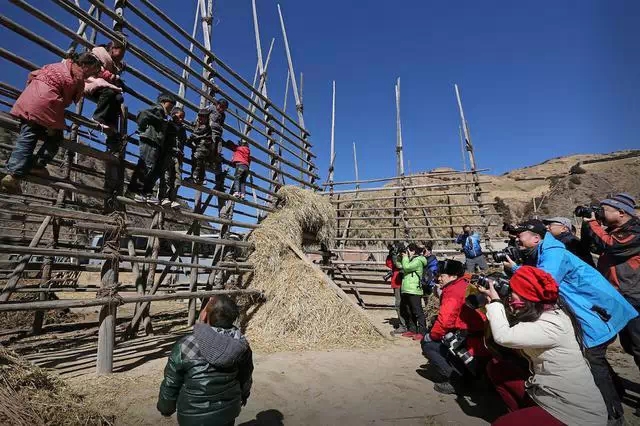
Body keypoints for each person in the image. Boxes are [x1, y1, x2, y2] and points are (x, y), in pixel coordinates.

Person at [504, 218, 637, 423]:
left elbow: (543, 282)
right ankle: (615, 395)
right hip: (591, 311)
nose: (516, 241)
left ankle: (613, 415)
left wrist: (516, 270)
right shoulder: (544, 251)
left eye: (519, 236)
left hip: (595, 313)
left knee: (593, 362)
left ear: (536, 238)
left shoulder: (553, 253)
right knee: (594, 360)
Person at [479, 266, 607, 426]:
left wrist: (496, 303)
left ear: (526, 296)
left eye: (512, 291)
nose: (509, 295)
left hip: (574, 409)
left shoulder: (551, 324)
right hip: (548, 391)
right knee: (499, 368)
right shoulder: (545, 311)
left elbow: (503, 336)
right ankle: (525, 415)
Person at [1, 53, 101, 194]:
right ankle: (30, 168)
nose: (91, 75)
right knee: (56, 136)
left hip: (29, 99)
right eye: (92, 71)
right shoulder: (77, 77)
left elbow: (31, 75)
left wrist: (33, 94)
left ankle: (13, 171)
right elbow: (70, 99)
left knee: (27, 136)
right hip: (46, 105)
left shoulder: (55, 65)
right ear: (84, 65)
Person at [157, 295, 253, 425]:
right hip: (227, 413)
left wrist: (166, 408)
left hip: (192, 417)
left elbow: (171, 382)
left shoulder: (185, 345)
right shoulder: (241, 346)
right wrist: (244, 395)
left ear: (204, 316)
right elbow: (246, 377)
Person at [581, 193, 640, 370]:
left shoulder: (635, 231)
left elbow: (610, 245)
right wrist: (587, 225)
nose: (600, 213)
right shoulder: (614, 231)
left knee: (638, 345)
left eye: (604, 210)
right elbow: (593, 246)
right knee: (630, 345)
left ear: (621, 212)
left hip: (633, 294)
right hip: (620, 294)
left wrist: (593, 223)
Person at [421, 259, 488, 395]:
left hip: (468, 339)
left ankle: (455, 381)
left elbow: (445, 321)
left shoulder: (452, 292)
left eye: (442, 276)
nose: (438, 279)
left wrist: (432, 336)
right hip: (480, 337)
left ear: (453, 276)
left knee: (428, 345)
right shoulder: (465, 283)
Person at [127, 93, 176, 203]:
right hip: (150, 140)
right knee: (145, 165)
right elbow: (142, 114)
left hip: (155, 142)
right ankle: (133, 191)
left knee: (151, 167)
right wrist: (143, 130)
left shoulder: (163, 114)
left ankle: (143, 192)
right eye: (171, 104)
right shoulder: (158, 109)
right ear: (164, 102)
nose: (172, 106)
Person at [85, 38, 126, 149]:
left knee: (118, 98)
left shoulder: (114, 64)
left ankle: (111, 127)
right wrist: (111, 76)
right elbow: (96, 68)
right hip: (92, 80)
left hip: (104, 84)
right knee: (109, 92)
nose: (121, 57)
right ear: (113, 49)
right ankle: (98, 117)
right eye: (120, 54)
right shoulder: (98, 53)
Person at [394, 243, 427, 341]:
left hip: (414, 290)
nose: (407, 252)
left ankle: (422, 332)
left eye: (408, 250)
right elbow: (399, 265)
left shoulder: (418, 260)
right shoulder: (408, 259)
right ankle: (412, 330)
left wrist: (405, 257)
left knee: (418, 312)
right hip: (406, 289)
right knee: (408, 311)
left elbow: (407, 267)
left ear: (413, 251)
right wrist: (400, 256)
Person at [159, 107, 187, 209]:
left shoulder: (183, 129)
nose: (181, 119)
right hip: (168, 153)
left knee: (177, 178)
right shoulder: (167, 125)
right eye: (180, 116)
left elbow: (183, 141)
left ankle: (172, 199)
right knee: (166, 175)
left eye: (183, 117)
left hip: (178, 156)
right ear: (173, 115)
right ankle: (164, 197)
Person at [186, 108, 213, 185]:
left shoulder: (204, 127)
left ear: (207, 119)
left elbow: (194, 135)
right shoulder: (203, 126)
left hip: (201, 148)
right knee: (201, 163)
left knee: (196, 161)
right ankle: (201, 179)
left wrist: (188, 140)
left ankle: (194, 178)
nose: (200, 119)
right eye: (199, 117)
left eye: (203, 117)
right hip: (203, 148)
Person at [209, 98, 229, 195]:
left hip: (218, 134)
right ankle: (210, 161)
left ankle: (219, 181)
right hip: (210, 131)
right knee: (211, 146)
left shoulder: (223, 115)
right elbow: (202, 115)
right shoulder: (211, 108)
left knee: (218, 151)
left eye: (224, 108)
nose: (221, 109)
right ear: (217, 104)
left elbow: (221, 124)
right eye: (220, 107)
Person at [385, 244, 406, 335]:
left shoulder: (404, 257)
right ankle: (403, 324)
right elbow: (389, 264)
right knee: (399, 304)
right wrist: (391, 255)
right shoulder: (395, 256)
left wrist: (395, 255)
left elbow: (399, 266)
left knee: (400, 304)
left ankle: (404, 325)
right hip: (397, 282)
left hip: (401, 282)